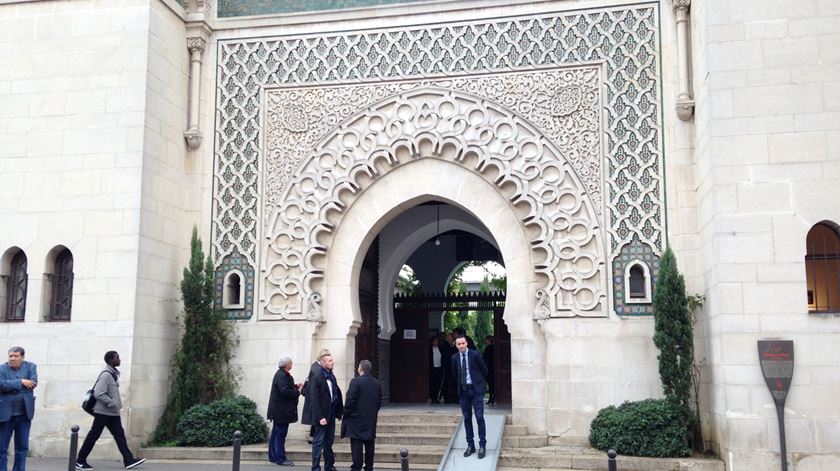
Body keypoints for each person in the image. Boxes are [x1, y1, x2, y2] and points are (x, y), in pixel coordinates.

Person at [75, 351, 145, 470]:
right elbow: (99, 393)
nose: (120, 360)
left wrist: (114, 406)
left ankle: (128, 460)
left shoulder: (113, 374)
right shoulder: (106, 375)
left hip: (112, 413)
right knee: (94, 435)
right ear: (111, 360)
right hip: (103, 412)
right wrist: (112, 403)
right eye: (117, 358)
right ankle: (80, 461)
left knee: (119, 436)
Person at [451, 335, 488, 459]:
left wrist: (480, 386)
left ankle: (482, 445)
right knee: (467, 418)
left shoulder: (475, 355)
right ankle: (470, 445)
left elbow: (484, 370)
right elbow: (455, 374)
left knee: (479, 417)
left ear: (466, 343)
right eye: (458, 344)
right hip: (463, 392)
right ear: (456, 345)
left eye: (463, 343)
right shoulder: (454, 358)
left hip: (476, 391)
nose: (461, 346)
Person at [0, 346, 37, 471]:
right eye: (10, 356)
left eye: (16, 356)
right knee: (1, 448)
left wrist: (9, 386)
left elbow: (33, 383)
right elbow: (1, 384)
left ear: (22, 357)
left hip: (24, 414)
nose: (12, 358)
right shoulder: (2, 368)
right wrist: (21, 382)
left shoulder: (31, 366)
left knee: (22, 448)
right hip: (5, 413)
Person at [340, 360, 381, 471]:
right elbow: (378, 402)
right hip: (370, 419)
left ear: (360, 368)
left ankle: (356, 467)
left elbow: (350, 400)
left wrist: (346, 413)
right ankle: (369, 467)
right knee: (369, 445)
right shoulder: (376, 383)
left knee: (357, 445)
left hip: (356, 419)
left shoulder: (356, 382)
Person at [305, 351, 343, 471]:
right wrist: (320, 417)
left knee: (329, 441)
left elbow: (334, 394)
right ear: (323, 363)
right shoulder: (317, 376)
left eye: (332, 360)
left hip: (331, 411)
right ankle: (315, 467)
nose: (333, 362)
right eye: (330, 361)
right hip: (322, 414)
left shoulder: (330, 375)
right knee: (318, 441)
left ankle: (329, 465)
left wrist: (337, 411)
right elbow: (314, 399)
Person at [267, 357, 302, 466]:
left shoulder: (281, 374)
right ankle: (281, 459)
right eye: (291, 362)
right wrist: (298, 391)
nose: (292, 364)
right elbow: (285, 391)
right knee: (280, 435)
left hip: (279, 410)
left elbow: (284, 387)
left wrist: (295, 386)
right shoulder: (282, 375)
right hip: (281, 411)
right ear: (287, 365)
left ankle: (273, 457)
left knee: (276, 434)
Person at [302, 348, 330, 445]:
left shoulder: (318, 367)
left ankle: (314, 438)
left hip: (317, 399)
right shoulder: (317, 368)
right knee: (317, 422)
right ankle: (315, 440)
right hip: (316, 399)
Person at [428, 336, 444, 404]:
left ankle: (438, 397)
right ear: (432, 342)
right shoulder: (429, 349)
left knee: (438, 383)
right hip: (432, 368)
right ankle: (432, 397)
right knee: (432, 383)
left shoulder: (440, 348)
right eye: (435, 341)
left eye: (437, 341)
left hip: (439, 368)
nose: (436, 342)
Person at [483, 335, 496, 406]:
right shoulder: (492, 348)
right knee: (491, 384)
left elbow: (485, 358)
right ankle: (492, 397)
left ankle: (492, 397)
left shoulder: (489, 348)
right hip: (491, 367)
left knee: (491, 383)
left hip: (490, 368)